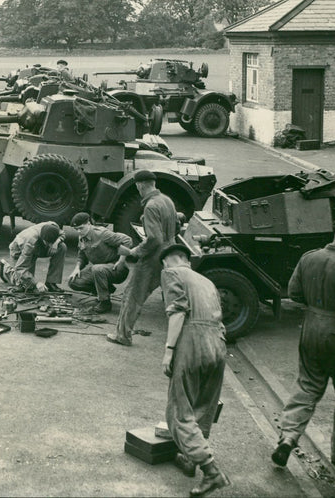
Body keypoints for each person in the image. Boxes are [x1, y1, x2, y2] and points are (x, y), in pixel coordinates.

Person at [272, 216, 335, 468]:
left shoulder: (309, 257)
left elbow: (294, 293)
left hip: (310, 328)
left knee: (307, 387)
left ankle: (288, 438)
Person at [159, 243, 230, 496]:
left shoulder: (171, 273)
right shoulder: (206, 281)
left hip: (193, 341)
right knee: (204, 405)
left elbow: (177, 312)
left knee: (180, 411)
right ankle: (190, 458)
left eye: (164, 263)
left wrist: (169, 350)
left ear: (171, 260)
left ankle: (212, 472)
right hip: (218, 343)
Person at [108, 169, 179, 346]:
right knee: (176, 298)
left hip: (154, 257)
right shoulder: (167, 200)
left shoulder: (151, 206)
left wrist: (136, 251)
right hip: (171, 253)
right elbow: (175, 225)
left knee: (132, 295)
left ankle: (123, 335)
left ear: (140, 185)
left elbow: (155, 238)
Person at [67, 212, 133, 314]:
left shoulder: (101, 233)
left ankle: (105, 302)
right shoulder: (81, 237)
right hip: (100, 270)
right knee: (73, 281)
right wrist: (77, 268)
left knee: (97, 269)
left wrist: (121, 260)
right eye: (77, 229)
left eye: (81, 228)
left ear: (88, 223)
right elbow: (82, 255)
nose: (79, 231)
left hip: (117, 269)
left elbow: (127, 240)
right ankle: (104, 291)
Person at [0, 221, 66, 292]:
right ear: (43, 238)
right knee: (25, 285)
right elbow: (21, 268)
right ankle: (6, 268)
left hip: (39, 245)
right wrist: (36, 283)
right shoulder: (30, 243)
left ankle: (51, 282)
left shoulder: (53, 227)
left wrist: (56, 242)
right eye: (48, 243)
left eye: (51, 243)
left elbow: (62, 233)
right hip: (19, 250)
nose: (50, 245)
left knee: (62, 247)